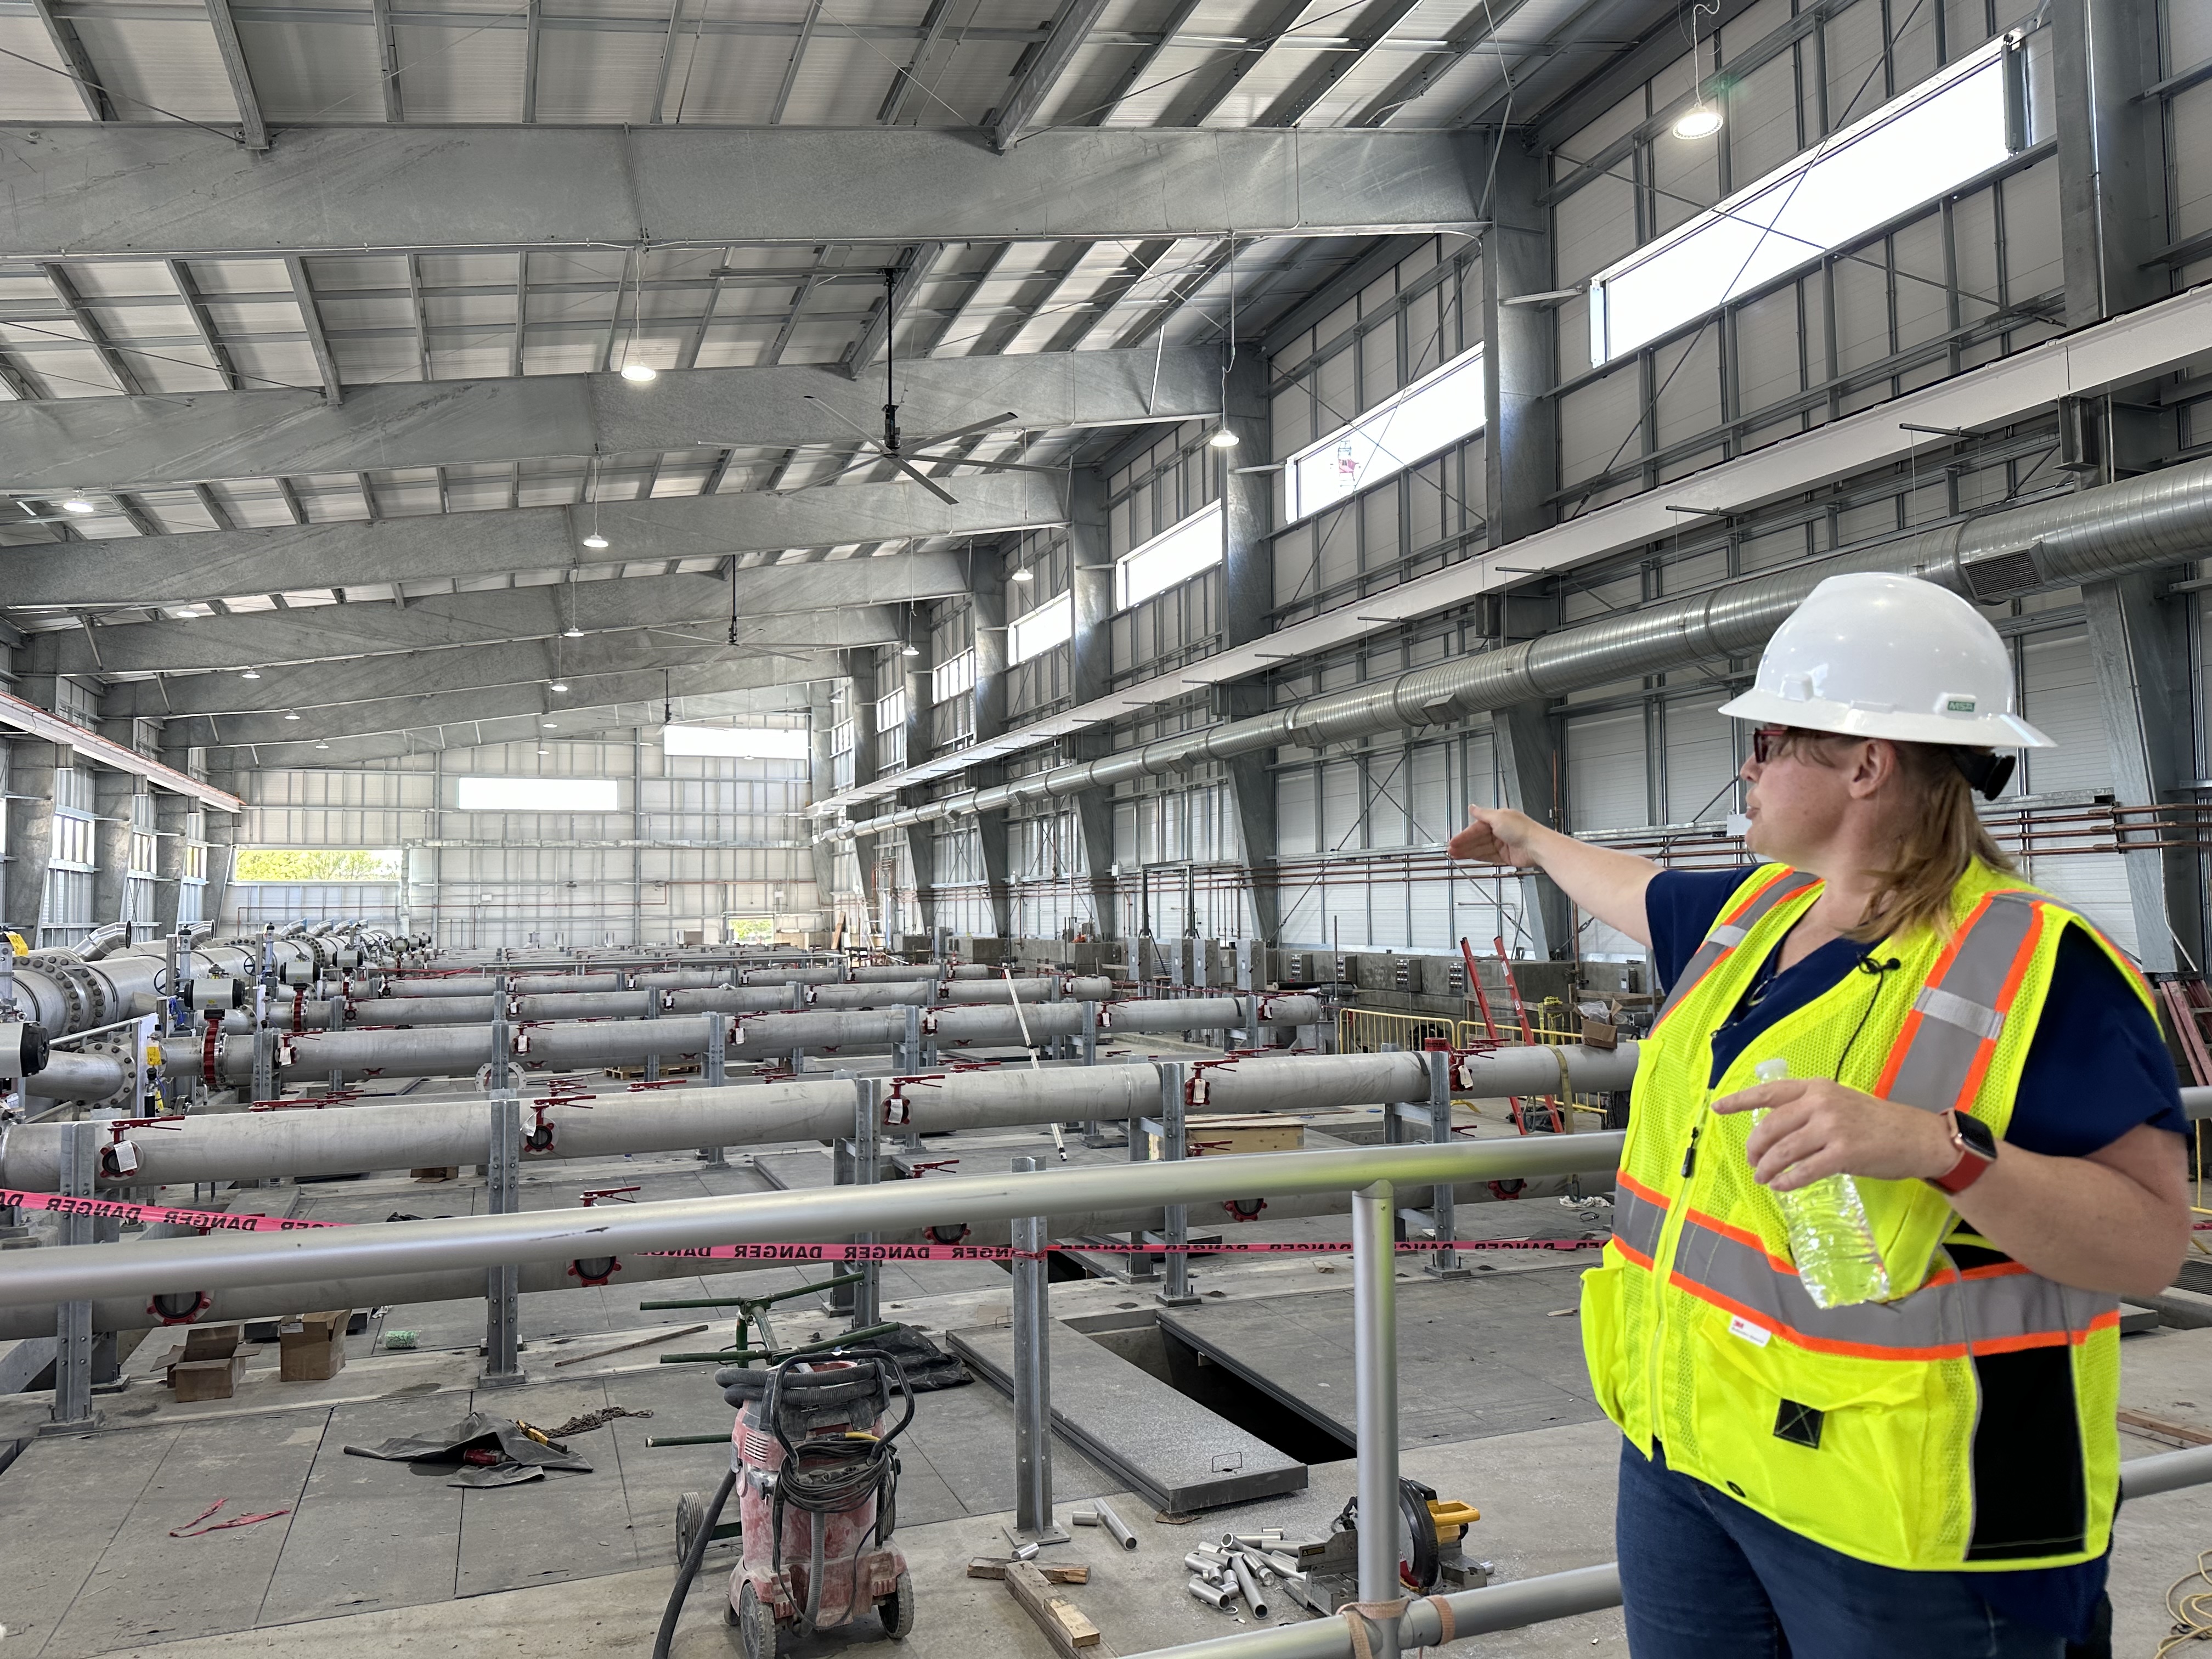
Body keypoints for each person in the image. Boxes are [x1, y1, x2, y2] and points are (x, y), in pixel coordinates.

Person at [1447, 572, 2191, 1659]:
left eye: (1769, 742)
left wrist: (1938, 1149)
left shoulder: (2039, 968)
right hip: (1690, 1453)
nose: (1745, 769)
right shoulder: (1754, 913)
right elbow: (1637, 890)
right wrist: (1531, 840)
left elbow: (2147, 1245)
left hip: (1902, 1514)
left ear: (1864, 763)